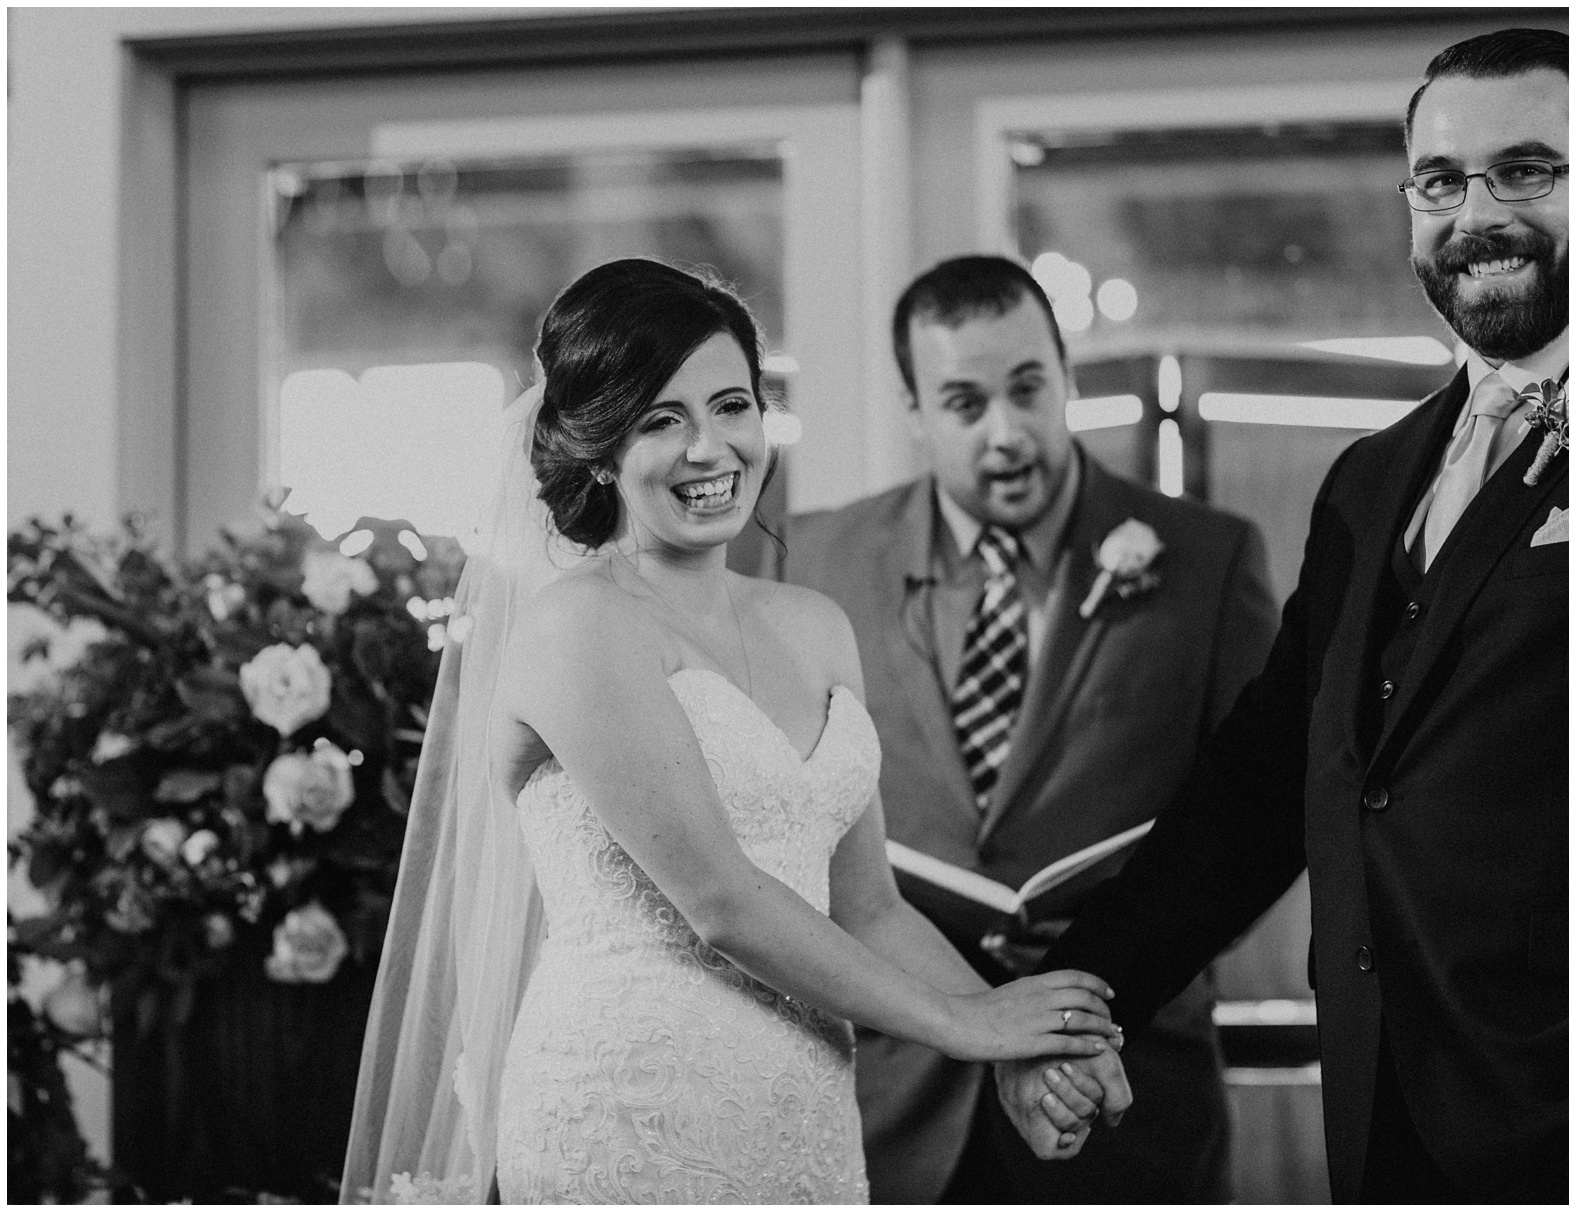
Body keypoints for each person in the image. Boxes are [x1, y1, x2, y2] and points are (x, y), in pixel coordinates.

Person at [339, 258, 1126, 1204]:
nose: (711, 449)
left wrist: (1009, 1044)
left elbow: (868, 907)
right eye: (662, 420)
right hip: (632, 1112)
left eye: (732, 406)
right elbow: (721, 901)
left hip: (804, 1108)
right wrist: (968, 1029)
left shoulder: (815, 624)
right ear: (599, 446)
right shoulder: (578, 626)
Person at [999, 27, 1568, 1203]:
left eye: (1528, 169)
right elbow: (1264, 784)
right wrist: (1084, 996)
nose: (1479, 214)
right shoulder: (1370, 482)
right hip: (1382, 1106)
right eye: (1440, 181)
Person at [778, 254, 1278, 1201]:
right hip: (889, 1100)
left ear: (1067, 378)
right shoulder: (813, 560)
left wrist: (1106, 986)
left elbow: (1255, 822)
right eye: (965, 404)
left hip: (1124, 1093)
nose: (1006, 434)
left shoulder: (1211, 562)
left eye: (1028, 389)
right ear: (916, 412)